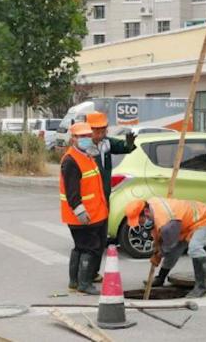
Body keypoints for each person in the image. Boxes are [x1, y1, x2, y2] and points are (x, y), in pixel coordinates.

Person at [125, 197, 206, 298]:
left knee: (195, 248)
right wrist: (156, 249)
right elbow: (158, 234)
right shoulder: (151, 208)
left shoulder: (167, 223)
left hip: (203, 217)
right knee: (175, 250)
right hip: (184, 223)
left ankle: (201, 287)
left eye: (139, 220)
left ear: (146, 212)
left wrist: (159, 254)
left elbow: (169, 245)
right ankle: (161, 278)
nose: (139, 224)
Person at [85, 111, 136, 283]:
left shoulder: (107, 144)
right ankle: (84, 275)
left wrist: (130, 142)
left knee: (101, 238)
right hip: (89, 199)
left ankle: (93, 273)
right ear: (89, 130)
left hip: (103, 198)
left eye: (103, 130)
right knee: (88, 240)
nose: (100, 134)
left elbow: (125, 148)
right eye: (97, 131)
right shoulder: (84, 146)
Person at [60, 122, 108, 295]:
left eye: (88, 136)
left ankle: (75, 281)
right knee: (90, 247)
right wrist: (80, 211)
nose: (86, 139)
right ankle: (84, 283)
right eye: (82, 136)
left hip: (95, 213)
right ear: (73, 139)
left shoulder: (86, 155)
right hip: (82, 216)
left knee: (80, 247)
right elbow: (71, 191)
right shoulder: (71, 161)